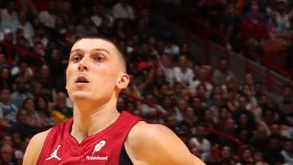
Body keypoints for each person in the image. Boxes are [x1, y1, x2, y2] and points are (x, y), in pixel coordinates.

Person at [22, 36, 204, 164]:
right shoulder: (39, 145)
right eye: (76, 58)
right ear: (67, 80)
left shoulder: (145, 138)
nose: (82, 64)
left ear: (122, 80)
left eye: (98, 58)